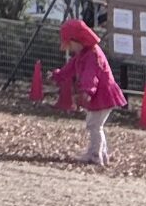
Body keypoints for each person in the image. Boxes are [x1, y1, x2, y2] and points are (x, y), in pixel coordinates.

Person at [50, 18, 126, 165]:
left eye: (70, 44)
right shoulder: (84, 53)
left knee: (95, 125)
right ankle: (101, 154)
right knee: (95, 124)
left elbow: (90, 76)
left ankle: (95, 155)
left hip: (102, 95)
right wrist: (57, 75)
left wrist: (87, 91)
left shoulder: (92, 55)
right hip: (101, 95)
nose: (70, 48)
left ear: (78, 40)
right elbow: (70, 68)